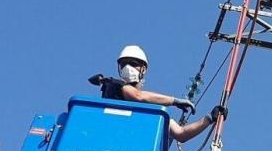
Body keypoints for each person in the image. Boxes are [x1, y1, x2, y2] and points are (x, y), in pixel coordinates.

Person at [90, 45, 225, 143]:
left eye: (132, 64)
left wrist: (208, 119)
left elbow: (181, 134)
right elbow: (138, 96)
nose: (127, 68)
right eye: (123, 64)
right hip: (108, 139)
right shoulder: (115, 85)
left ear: (143, 69)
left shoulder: (152, 113)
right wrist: (174, 101)